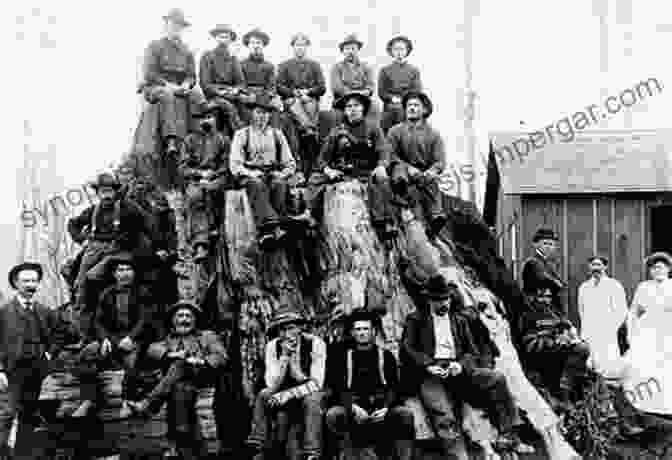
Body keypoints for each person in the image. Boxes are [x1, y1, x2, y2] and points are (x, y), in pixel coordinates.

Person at [400, 273, 518, 460]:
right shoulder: (416, 319)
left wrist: (460, 365)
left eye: (446, 299)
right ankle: (459, 457)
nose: (443, 304)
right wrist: (428, 365)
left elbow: (471, 351)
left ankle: (507, 433)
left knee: (496, 379)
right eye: (438, 300)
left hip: (457, 369)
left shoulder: (459, 320)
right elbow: (407, 350)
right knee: (444, 416)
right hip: (431, 374)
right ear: (429, 300)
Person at [127, 301, 228, 460]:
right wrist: (169, 354)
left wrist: (201, 361)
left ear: (195, 320)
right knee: (180, 387)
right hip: (178, 385)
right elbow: (151, 350)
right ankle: (183, 445)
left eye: (188, 316)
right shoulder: (168, 339)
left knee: (181, 366)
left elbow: (221, 356)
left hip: (202, 377)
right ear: (173, 320)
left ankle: (148, 405)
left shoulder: (207, 336)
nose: (184, 319)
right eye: (180, 316)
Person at [325, 310, 415, 460]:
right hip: (354, 408)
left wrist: (386, 407)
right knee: (334, 415)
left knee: (405, 414)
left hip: (380, 409)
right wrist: (352, 407)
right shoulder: (341, 356)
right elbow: (337, 387)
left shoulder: (386, 356)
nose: (362, 333)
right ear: (352, 332)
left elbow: (394, 386)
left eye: (366, 329)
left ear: (373, 332)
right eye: (358, 329)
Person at [74, 253, 156, 416]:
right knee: (86, 354)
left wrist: (131, 338)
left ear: (134, 273)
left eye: (128, 269)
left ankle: (127, 401)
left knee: (132, 362)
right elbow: (98, 321)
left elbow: (145, 319)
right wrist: (104, 339)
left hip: (135, 338)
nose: (124, 273)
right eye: (120, 270)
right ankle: (90, 399)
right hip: (112, 338)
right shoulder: (106, 294)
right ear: (114, 274)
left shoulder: (143, 292)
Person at [67, 173, 158, 313]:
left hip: (118, 249)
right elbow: (73, 224)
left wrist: (157, 246)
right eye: (103, 192)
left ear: (115, 192)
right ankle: (81, 311)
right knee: (81, 281)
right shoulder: (92, 211)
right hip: (94, 248)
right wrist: (82, 240)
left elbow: (145, 224)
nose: (107, 195)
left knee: (103, 275)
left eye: (110, 191)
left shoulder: (126, 208)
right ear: (97, 193)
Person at [313, 92, 397, 240]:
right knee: (315, 181)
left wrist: (382, 165)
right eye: (349, 106)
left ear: (363, 108)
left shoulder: (373, 128)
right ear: (344, 110)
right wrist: (329, 170)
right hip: (344, 173)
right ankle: (310, 217)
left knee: (381, 181)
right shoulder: (337, 130)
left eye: (356, 105)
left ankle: (384, 222)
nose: (352, 109)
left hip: (366, 172)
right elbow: (322, 158)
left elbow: (384, 150)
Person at [246, 307, 326, 460]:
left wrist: (295, 373)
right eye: (281, 330)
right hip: (281, 390)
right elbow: (271, 384)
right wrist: (284, 358)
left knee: (312, 400)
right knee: (263, 395)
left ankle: (312, 452)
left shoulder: (316, 343)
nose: (286, 334)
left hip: (309, 391)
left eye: (291, 328)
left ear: (300, 328)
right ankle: (257, 445)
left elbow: (317, 383)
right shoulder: (272, 346)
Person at [0, 263, 61, 452]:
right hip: (11, 372)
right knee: (7, 413)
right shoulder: (4, 313)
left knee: (28, 414)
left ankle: (21, 454)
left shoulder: (45, 312)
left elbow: (60, 334)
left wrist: (51, 351)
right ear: (15, 284)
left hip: (37, 371)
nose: (30, 285)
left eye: (34, 281)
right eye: (26, 280)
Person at [229, 94, 299, 249]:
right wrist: (250, 173)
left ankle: (273, 232)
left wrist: (283, 173)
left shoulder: (277, 134)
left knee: (279, 184)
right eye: (258, 112)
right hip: (249, 174)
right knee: (257, 184)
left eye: (266, 113)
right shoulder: (242, 135)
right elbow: (235, 165)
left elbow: (290, 162)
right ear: (252, 113)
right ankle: (272, 228)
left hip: (272, 172)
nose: (262, 116)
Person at [140, 8, 202, 155]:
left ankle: (197, 140)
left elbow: (192, 75)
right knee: (167, 95)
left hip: (180, 86)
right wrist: (169, 85)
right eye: (173, 25)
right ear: (166, 25)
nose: (176, 29)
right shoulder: (154, 46)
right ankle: (171, 139)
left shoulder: (186, 50)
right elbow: (149, 73)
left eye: (180, 26)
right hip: (157, 86)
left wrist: (187, 84)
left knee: (197, 96)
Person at [520, 285, 590, 411]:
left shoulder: (554, 313)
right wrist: (554, 342)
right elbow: (529, 345)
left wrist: (571, 336)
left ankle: (570, 392)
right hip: (542, 357)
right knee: (580, 350)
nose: (545, 300)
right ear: (533, 297)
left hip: (560, 353)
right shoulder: (528, 316)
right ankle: (564, 394)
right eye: (541, 297)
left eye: (548, 297)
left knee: (583, 348)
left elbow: (569, 328)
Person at [387, 91, 447, 235]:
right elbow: (390, 154)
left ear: (424, 110)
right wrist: (408, 168)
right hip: (401, 169)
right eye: (409, 105)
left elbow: (439, 160)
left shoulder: (433, 135)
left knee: (431, 184)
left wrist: (432, 171)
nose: (412, 108)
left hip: (422, 173)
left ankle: (435, 217)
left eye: (416, 105)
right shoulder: (395, 131)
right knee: (400, 176)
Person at [621, 252, 672, 415]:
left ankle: (667, 404)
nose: (657, 271)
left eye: (661, 267)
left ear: (668, 269)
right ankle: (645, 405)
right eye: (654, 268)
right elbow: (633, 311)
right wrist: (632, 332)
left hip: (668, 330)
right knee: (645, 365)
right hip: (648, 330)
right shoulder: (644, 287)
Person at [578, 256, 629, 379]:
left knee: (607, 364)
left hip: (607, 331)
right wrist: (585, 328)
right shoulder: (584, 287)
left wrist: (611, 327)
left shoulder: (613, 285)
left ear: (605, 267)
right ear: (589, 268)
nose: (596, 268)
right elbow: (581, 310)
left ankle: (609, 388)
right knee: (590, 364)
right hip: (590, 330)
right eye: (593, 265)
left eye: (599, 265)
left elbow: (622, 311)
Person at [199, 24, 246, 135]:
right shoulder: (207, 56)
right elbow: (205, 83)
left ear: (230, 40)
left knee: (245, 106)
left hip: (231, 95)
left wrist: (235, 90)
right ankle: (240, 135)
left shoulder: (233, 59)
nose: (223, 40)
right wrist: (220, 92)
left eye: (226, 37)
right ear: (215, 38)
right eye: (221, 36)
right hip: (213, 96)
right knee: (227, 107)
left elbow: (241, 83)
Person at [277, 33, 326, 137]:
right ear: (293, 47)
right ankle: (310, 129)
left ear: (307, 47)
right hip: (291, 99)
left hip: (310, 99)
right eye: (297, 45)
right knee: (295, 104)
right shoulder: (284, 65)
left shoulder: (315, 65)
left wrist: (308, 92)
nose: (300, 48)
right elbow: (279, 86)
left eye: (303, 45)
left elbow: (322, 87)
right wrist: (293, 93)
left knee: (310, 104)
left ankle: (309, 131)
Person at [329, 34, 378, 124]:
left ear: (358, 50)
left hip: (363, 99)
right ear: (343, 51)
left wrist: (362, 94)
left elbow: (370, 87)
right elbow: (337, 88)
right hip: (342, 100)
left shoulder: (366, 67)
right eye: (347, 49)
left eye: (353, 49)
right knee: (337, 114)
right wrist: (354, 94)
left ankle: (371, 133)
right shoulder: (337, 68)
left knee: (374, 107)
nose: (350, 52)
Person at [378, 35, 422, 133]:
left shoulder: (414, 70)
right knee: (388, 119)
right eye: (396, 49)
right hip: (390, 105)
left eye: (402, 49)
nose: (399, 52)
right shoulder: (385, 70)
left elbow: (417, 90)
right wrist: (392, 98)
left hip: (408, 105)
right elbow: (381, 92)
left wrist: (404, 99)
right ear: (391, 52)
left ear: (407, 51)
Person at [521, 228, 566, 315]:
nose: (548, 247)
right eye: (545, 243)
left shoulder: (548, 263)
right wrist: (558, 283)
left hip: (548, 307)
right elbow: (548, 280)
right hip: (537, 308)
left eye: (551, 244)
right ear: (536, 244)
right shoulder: (532, 262)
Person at [240, 28, 276, 121]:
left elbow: (271, 88)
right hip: (247, 99)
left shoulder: (269, 66)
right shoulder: (241, 64)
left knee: (276, 113)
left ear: (263, 45)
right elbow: (240, 84)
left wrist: (259, 97)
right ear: (248, 45)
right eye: (252, 43)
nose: (255, 46)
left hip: (264, 99)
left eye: (258, 43)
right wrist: (247, 95)